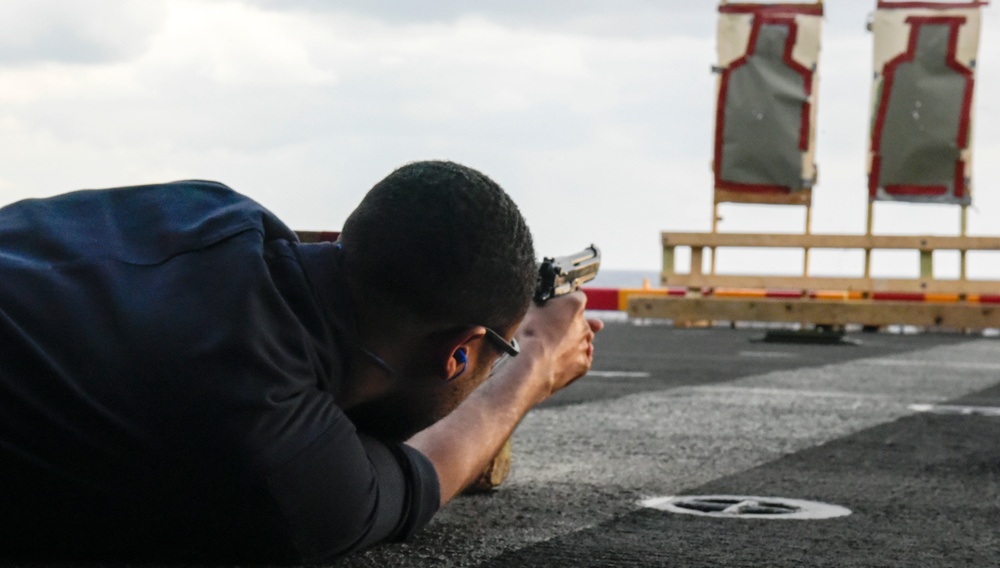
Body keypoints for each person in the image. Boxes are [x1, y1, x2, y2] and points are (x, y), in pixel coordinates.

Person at [0, 161, 602, 563]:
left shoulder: (213, 210)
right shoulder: (275, 454)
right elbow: (417, 477)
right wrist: (535, 364)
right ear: (458, 353)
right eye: (491, 356)